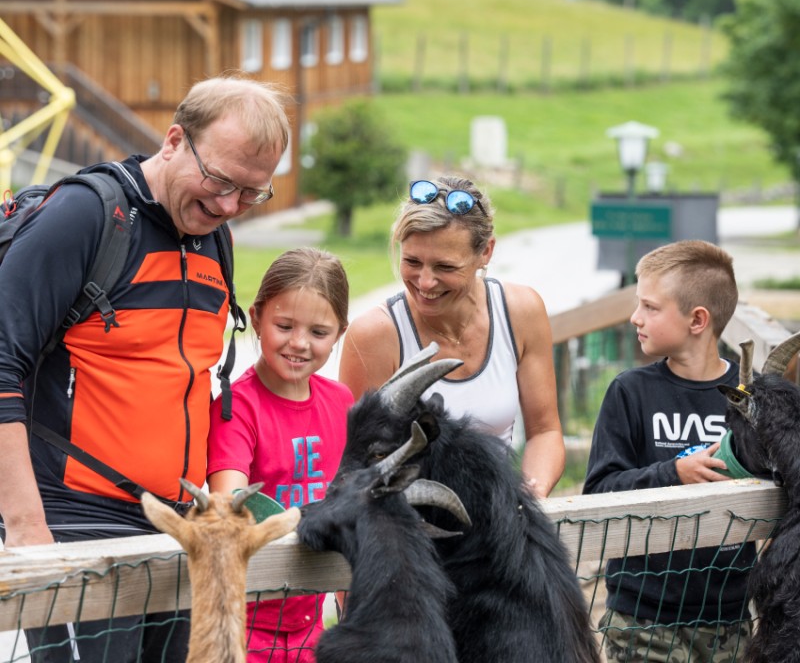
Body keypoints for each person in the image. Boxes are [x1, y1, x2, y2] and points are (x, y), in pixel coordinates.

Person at [0, 74, 290, 662]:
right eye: (220, 180)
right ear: (175, 139)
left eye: (252, 193)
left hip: (178, 530)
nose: (230, 206)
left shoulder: (213, 234)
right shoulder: (86, 217)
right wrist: (30, 533)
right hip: (77, 527)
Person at [339, 175, 564, 498]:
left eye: (445, 267)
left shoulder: (521, 312)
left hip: (499, 513)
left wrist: (527, 497)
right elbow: (354, 465)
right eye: (412, 262)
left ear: (485, 252)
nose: (426, 282)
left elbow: (545, 431)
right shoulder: (375, 336)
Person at [583, 239, 756, 661]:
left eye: (650, 307)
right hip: (643, 615)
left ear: (697, 319)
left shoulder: (750, 398)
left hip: (728, 617)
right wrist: (673, 474)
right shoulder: (629, 392)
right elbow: (599, 492)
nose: (634, 317)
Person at [207, 247, 353, 663]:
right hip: (244, 624)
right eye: (284, 326)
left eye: (319, 333)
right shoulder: (236, 409)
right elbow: (230, 507)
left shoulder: (342, 403)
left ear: (340, 332)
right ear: (256, 318)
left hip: (311, 621)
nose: (299, 344)